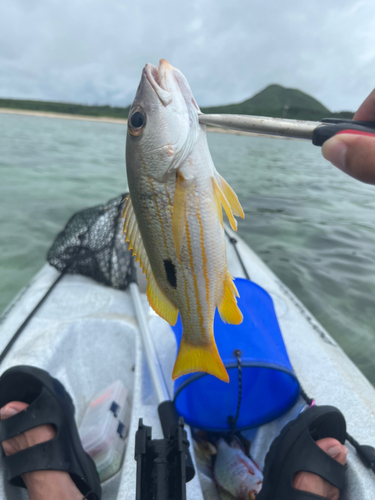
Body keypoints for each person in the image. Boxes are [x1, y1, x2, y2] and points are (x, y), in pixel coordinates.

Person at [1, 88, 374, 500]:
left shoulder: (180, 160)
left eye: (136, 121)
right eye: (139, 122)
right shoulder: (178, 164)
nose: (150, 83)